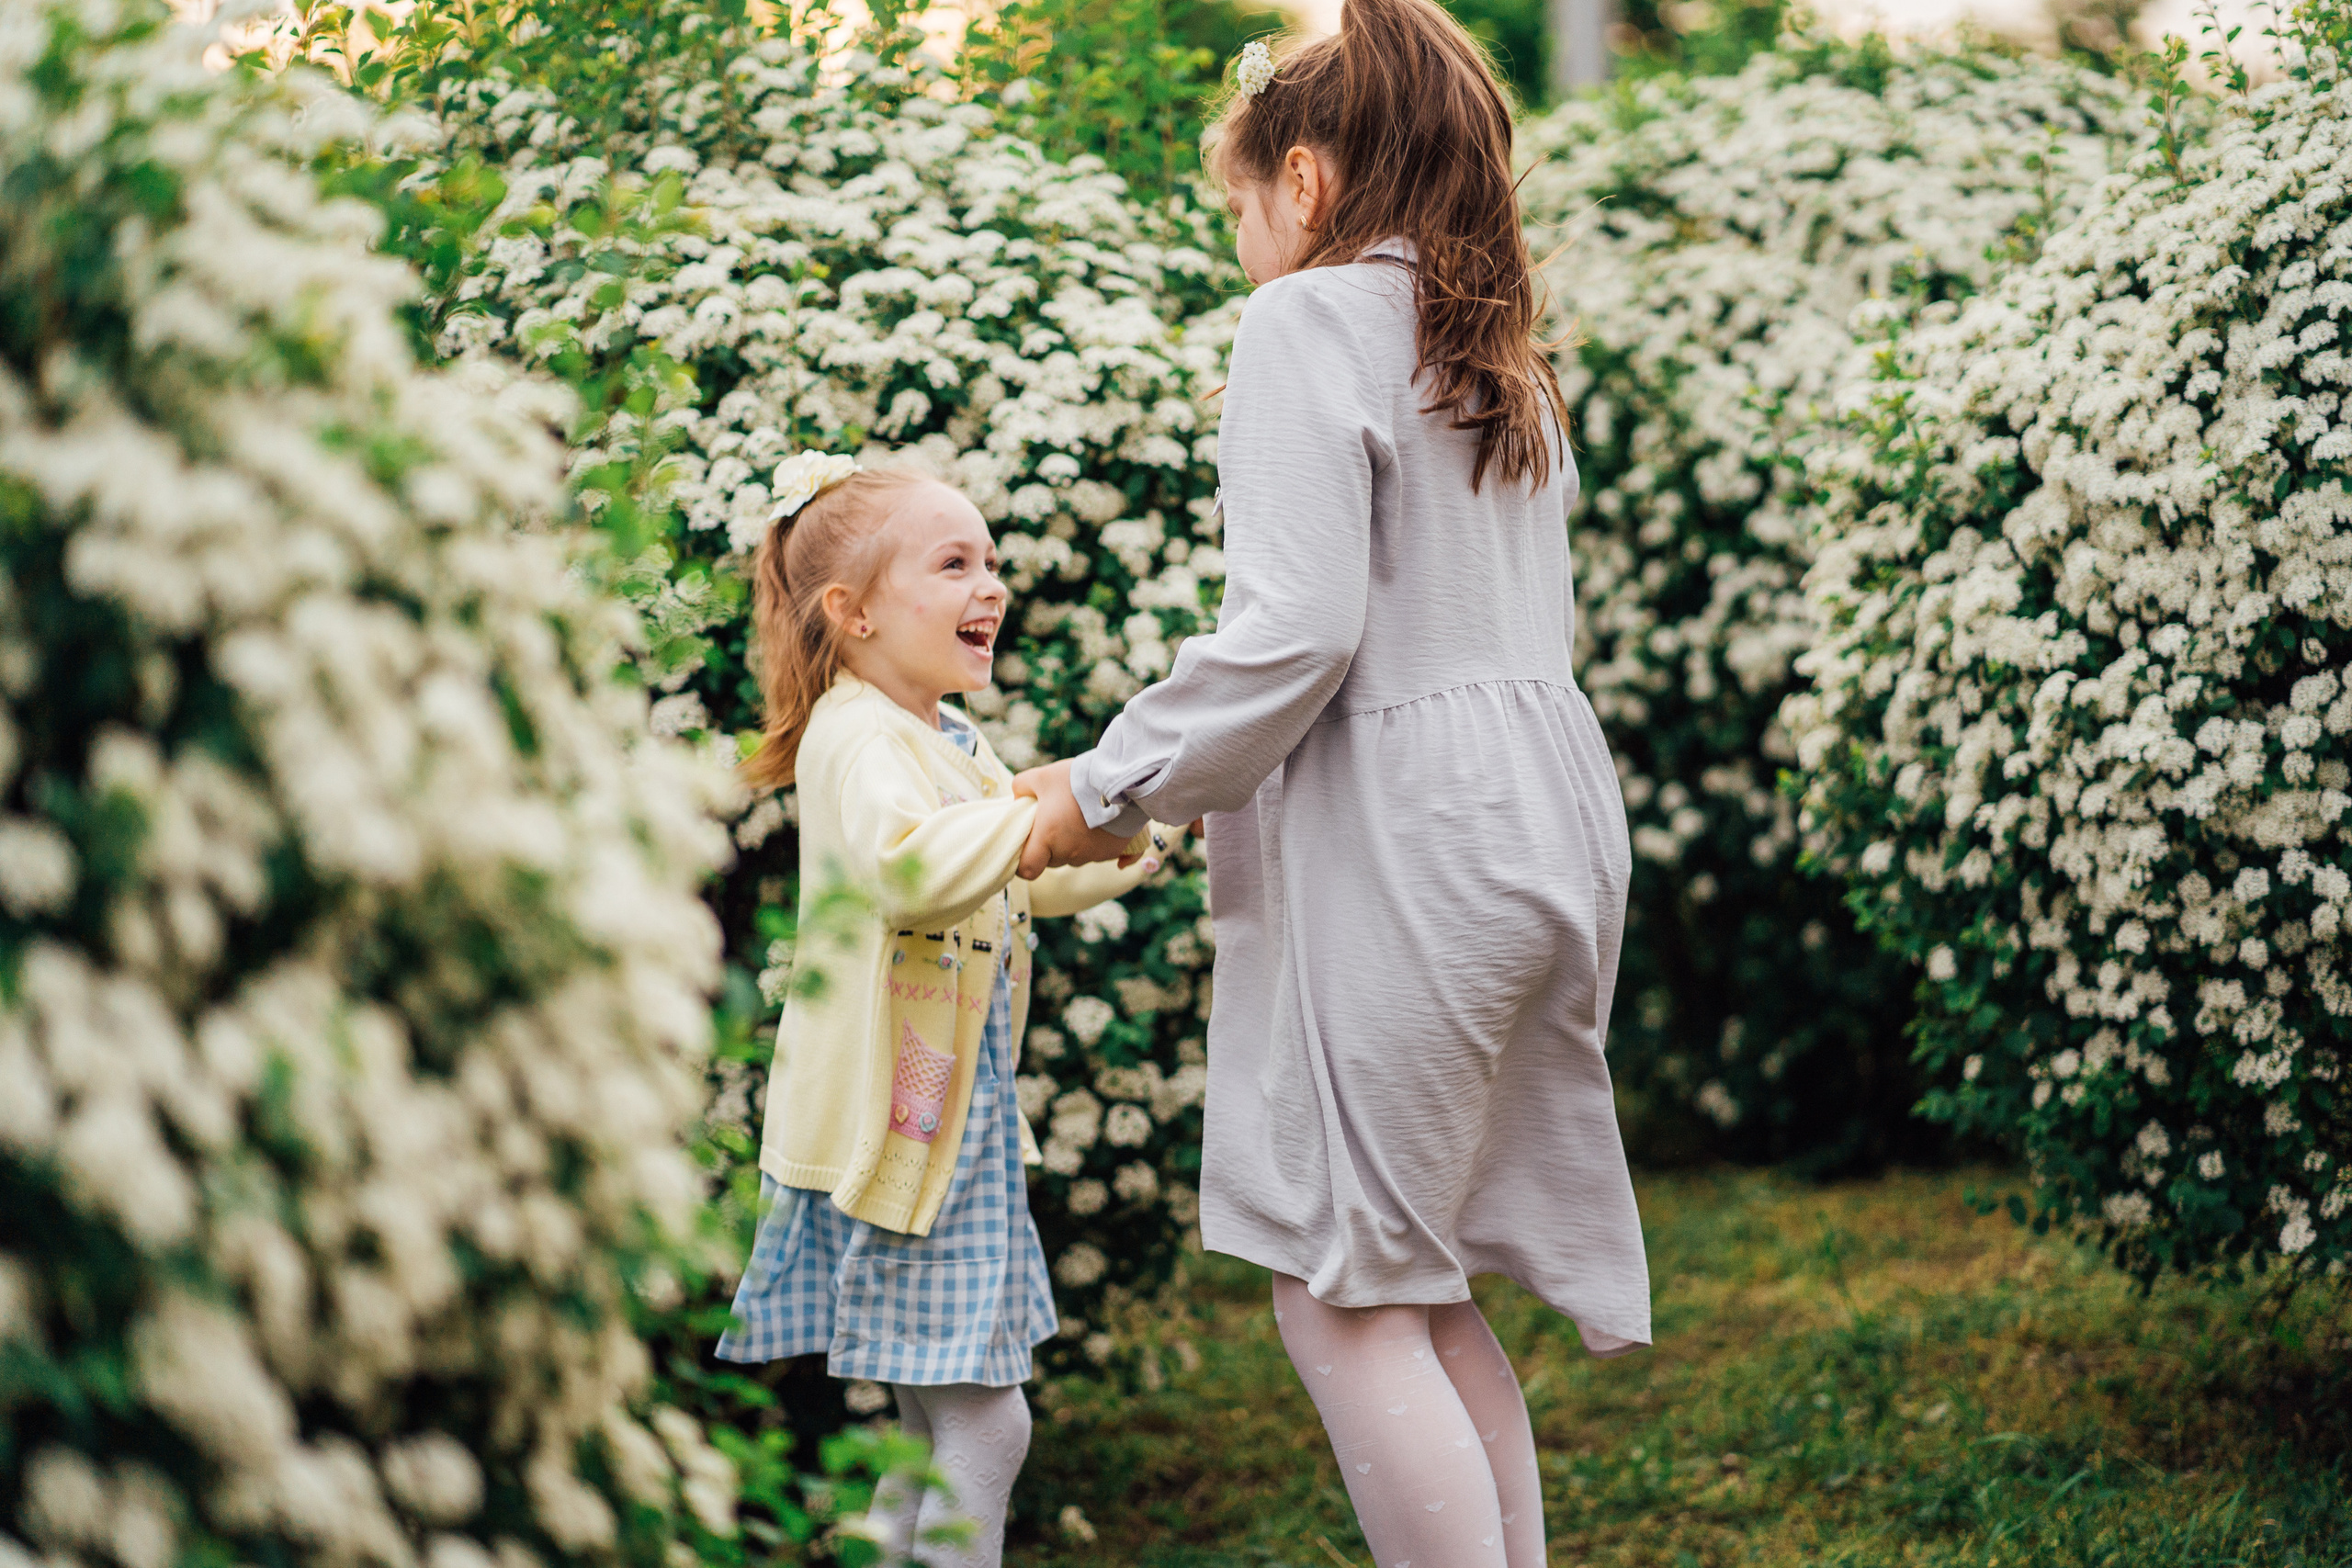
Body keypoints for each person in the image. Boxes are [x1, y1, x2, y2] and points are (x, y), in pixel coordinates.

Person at [1011, 2, 1652, 1562]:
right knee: (1413, 1279)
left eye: (1235, 205)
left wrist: (1107, 783)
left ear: (1302, 182)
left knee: (1343, 1290)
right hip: (1542, 824)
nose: (1239, 240)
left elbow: (1299, 632)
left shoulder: (1304, 323)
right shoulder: (1493, 347)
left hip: (1409, 845)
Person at [719, 455, 1178, 1568]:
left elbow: (1017, 873)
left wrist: (1141, 832)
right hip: (902, 1123)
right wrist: (1034, 817)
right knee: (985, 1420)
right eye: (954, 562)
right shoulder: (862, 734)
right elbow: (911, 868)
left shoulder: (942, 738)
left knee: (931, 1422)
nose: (992, 585)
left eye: (990, 560)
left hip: (941, 1116)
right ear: (855, 613)